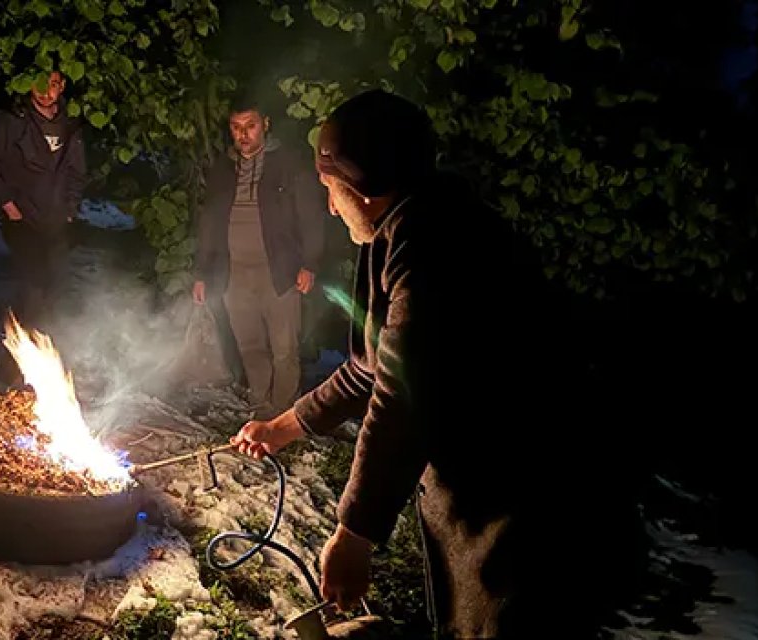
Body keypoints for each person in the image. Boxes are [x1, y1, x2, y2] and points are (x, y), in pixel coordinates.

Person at [229, 89, 641, 638]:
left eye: (331, 189)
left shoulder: (435, 246)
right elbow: (368, 367)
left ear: (362, 185)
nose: (330, 206)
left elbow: (403, 395)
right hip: (487, 486)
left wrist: (354, 534)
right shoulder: (398, 229)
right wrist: (282, 428)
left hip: (525, 492)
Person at [193, 96, 326, 419]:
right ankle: (259, 404)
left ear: (265, 124)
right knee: (249, 344)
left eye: (250, 126)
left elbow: (311, 217)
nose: (243, 134)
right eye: (236, 128)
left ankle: (282, 415)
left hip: (278, 270)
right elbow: (208, 223)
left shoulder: (288, 164)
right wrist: (200, 273)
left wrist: (310, 263)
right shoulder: (223, 170)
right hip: (232, 273)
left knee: (285, 349)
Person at [0, 71, 86, 339]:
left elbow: (77, 172)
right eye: (39, 85)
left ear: (62, 86)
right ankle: (19, 364)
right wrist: (9, 206)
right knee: (34, 286)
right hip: (22, 219)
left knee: (55, 289)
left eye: (52, 85)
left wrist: (70, 209)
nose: (45, 92)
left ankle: (50, 354)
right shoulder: (12, 122)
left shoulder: (70, 124)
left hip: (57, 221)